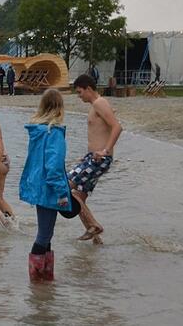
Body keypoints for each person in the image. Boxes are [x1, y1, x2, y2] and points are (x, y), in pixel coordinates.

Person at [19, 89, 72, 282]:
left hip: (37, 185)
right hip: (49, 188)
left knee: (46, 234)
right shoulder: (53, 132)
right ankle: (37, 283)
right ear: (59, 108)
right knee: (44, 235)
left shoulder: (38, 131)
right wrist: (62, 192)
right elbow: (54, 166)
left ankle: (45, 280)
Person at [69, 74, 122, 244]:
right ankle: (96, 240)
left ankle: (94, 225)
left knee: (65, 187)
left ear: (88, 89)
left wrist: (105, 150)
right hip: (92, 158)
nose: (79, 96)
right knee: (78, 196)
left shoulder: (99, 103)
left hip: (99, 159)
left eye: (80, 92)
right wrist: (87, 155)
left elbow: (117, 127)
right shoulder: (96, 105)